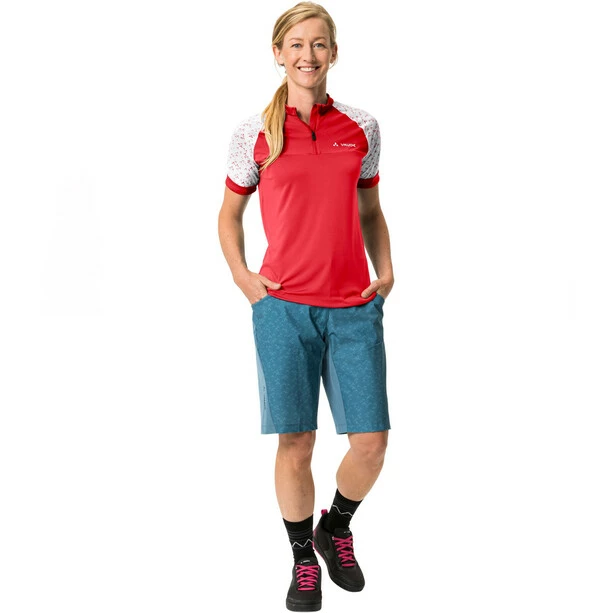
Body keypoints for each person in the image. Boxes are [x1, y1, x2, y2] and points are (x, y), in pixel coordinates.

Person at [218, 2, 394, 610]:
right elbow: (229, 214)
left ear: (334, 53)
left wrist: (385, 271)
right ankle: (301, 560)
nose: (307, 55)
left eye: (318, 44)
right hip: (283, 308)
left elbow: (371, 209)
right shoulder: (254, 133)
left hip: (352, 307)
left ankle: (334, 525)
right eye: (295, 44)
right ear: (278, 53)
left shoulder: (362, 127)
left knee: (371, 442)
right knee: (296, 442)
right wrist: (244, 278)